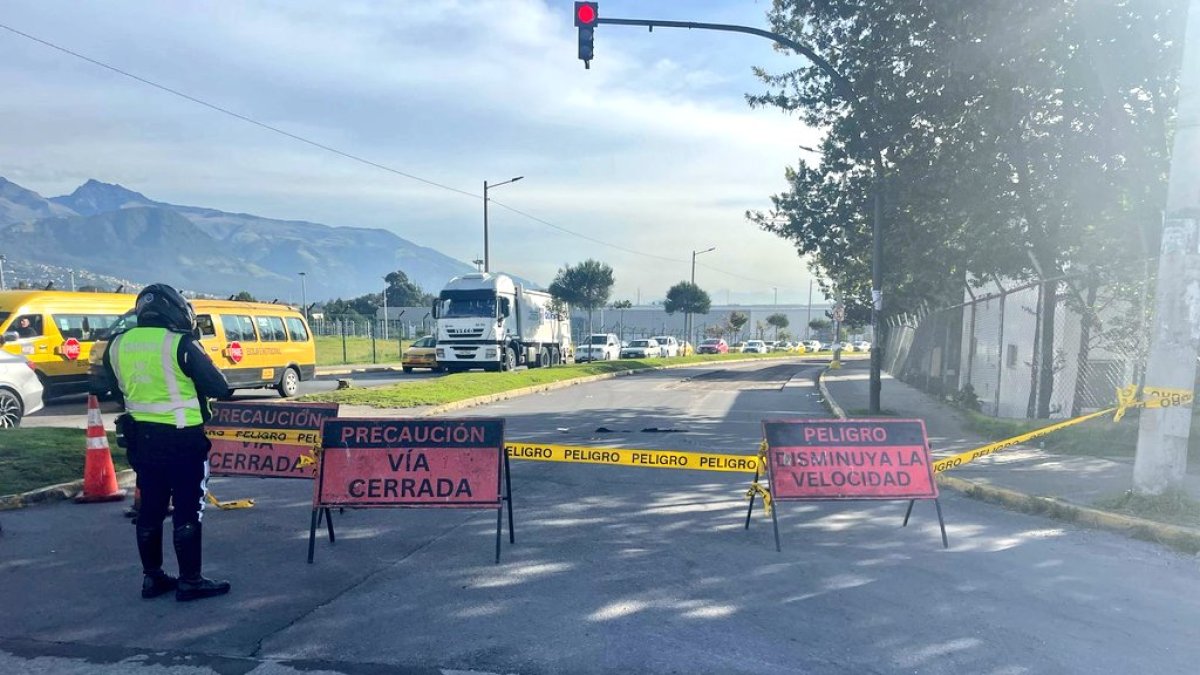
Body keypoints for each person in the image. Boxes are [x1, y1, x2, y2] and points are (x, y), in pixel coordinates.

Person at [104, 284, 232, 602]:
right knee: (188, 509)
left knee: (151, 507)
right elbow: (219, 386)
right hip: (182, 439)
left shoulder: (117, 344)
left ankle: (153, 577)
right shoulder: (180, 343)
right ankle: (190, 580)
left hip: (142, 439)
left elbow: (111, 386)